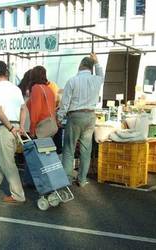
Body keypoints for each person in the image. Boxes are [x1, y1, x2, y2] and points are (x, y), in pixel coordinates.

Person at [0, 60, 27, 203]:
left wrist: (10, 128)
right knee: (4, 160)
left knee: (8, 162)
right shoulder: (15, 88)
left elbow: (0, 113)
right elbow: (23, 109)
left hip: (4, 128)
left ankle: (18, 195)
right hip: (16, 127)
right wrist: (20, 126)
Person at [57, 53, 104, 187]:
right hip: (90, 116)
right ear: (91, 67)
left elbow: (65, 103)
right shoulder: (97, 80)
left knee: (69, 149)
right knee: (86, 149)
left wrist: (60, 117)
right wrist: (97, 62)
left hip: (75, 116)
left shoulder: (72, 81)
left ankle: (67, 180)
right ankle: (82, 179)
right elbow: (101, 74)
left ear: (80, 66)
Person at [27, 66, 56, 138]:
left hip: (41, 126)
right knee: (47, 148)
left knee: (36, 148)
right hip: (51, 126)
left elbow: (36, 111)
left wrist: (32, 130)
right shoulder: (49, 89)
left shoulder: (36, 88)